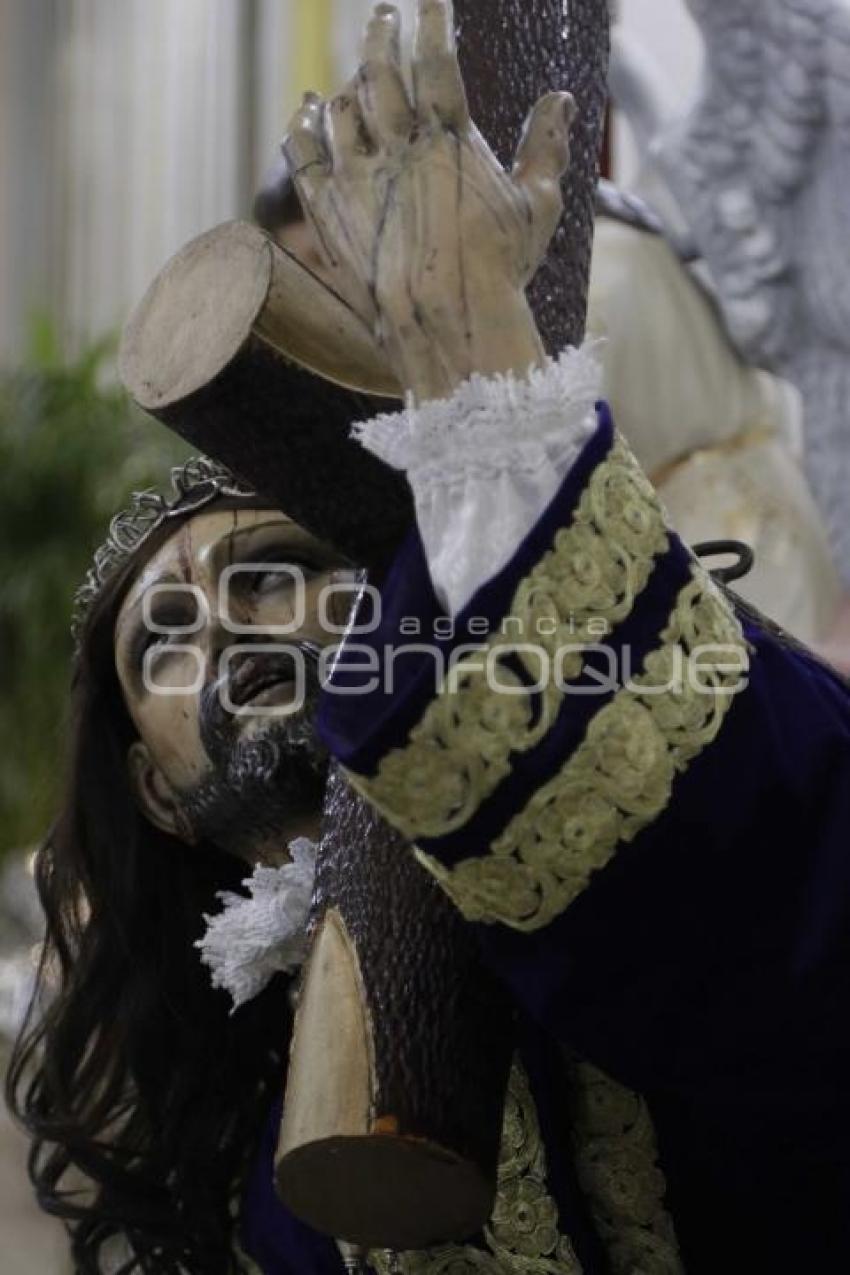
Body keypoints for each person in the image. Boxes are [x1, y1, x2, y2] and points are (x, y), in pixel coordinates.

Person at [8, 3, 850, 1273]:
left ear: (395, 600)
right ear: (157, 793)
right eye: (162, 641)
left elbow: (775, 900)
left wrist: (482, 389)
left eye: (277, 572)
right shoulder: (262, 1186)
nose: (229, 626)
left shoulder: (694, 716)